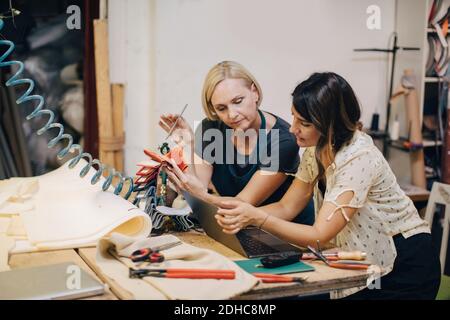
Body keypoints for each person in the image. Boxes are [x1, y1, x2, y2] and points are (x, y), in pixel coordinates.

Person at [212, 72, 441, 299]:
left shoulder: (358, 157)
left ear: (330, 125)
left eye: (304, 123)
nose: (293, 129)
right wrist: (240, 216)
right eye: (294, 118)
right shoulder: (316, 151)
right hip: (363, 256)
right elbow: (286, 207)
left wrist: (256, 217)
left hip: (404, 266)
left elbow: (319, 234)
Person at [160, 61, 314, 225]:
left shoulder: (282, 140)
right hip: (237, 224)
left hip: (283, 230)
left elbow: (242, 203)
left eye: (238, 101)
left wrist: (202, 195)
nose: (232, 115)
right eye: (221, 108)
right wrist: (188, 146)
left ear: (254, 92)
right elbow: (199, 187)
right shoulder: (212, 129)